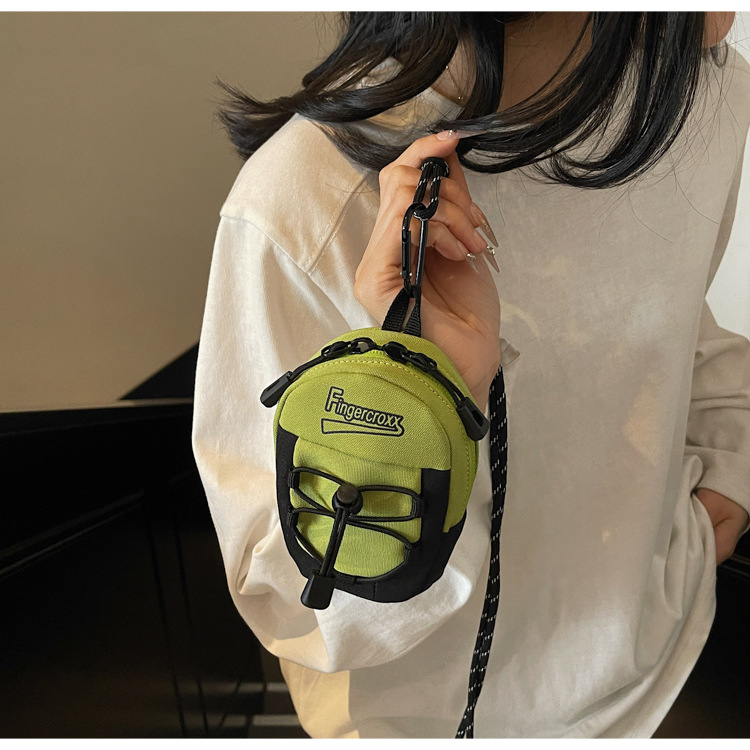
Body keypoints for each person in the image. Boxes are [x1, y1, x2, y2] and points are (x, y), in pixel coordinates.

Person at [192, 12, 750, 738]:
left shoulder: (706, 97)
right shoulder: (304, 200)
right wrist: (433, 394)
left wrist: (730, 450)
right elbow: (297, 605)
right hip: (425, 722)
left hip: (664, 658)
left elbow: (672, 307)